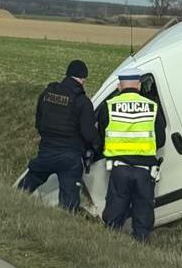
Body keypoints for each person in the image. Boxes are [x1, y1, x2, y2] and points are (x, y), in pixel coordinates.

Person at [18, 59, 98, 211]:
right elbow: (89, 134)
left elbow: (39, 124)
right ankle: (65, 223)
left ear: (67, 75)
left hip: (46, 152)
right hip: (70, 158)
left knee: (26, 187)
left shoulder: (47, 94)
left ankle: (9, 203)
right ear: (83, 79)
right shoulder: (82, 101)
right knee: (68, 205)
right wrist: (96, 148)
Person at [97, 67, 166, 241]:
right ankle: (141, 246)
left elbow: (102, 135)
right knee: (143, 214)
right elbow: (161, 140)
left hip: (120, 169)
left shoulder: (109, 106)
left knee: (114, 213)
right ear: (138, 85)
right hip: (145, 171)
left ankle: (110, 246)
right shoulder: (152, 107)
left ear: (120, 85)